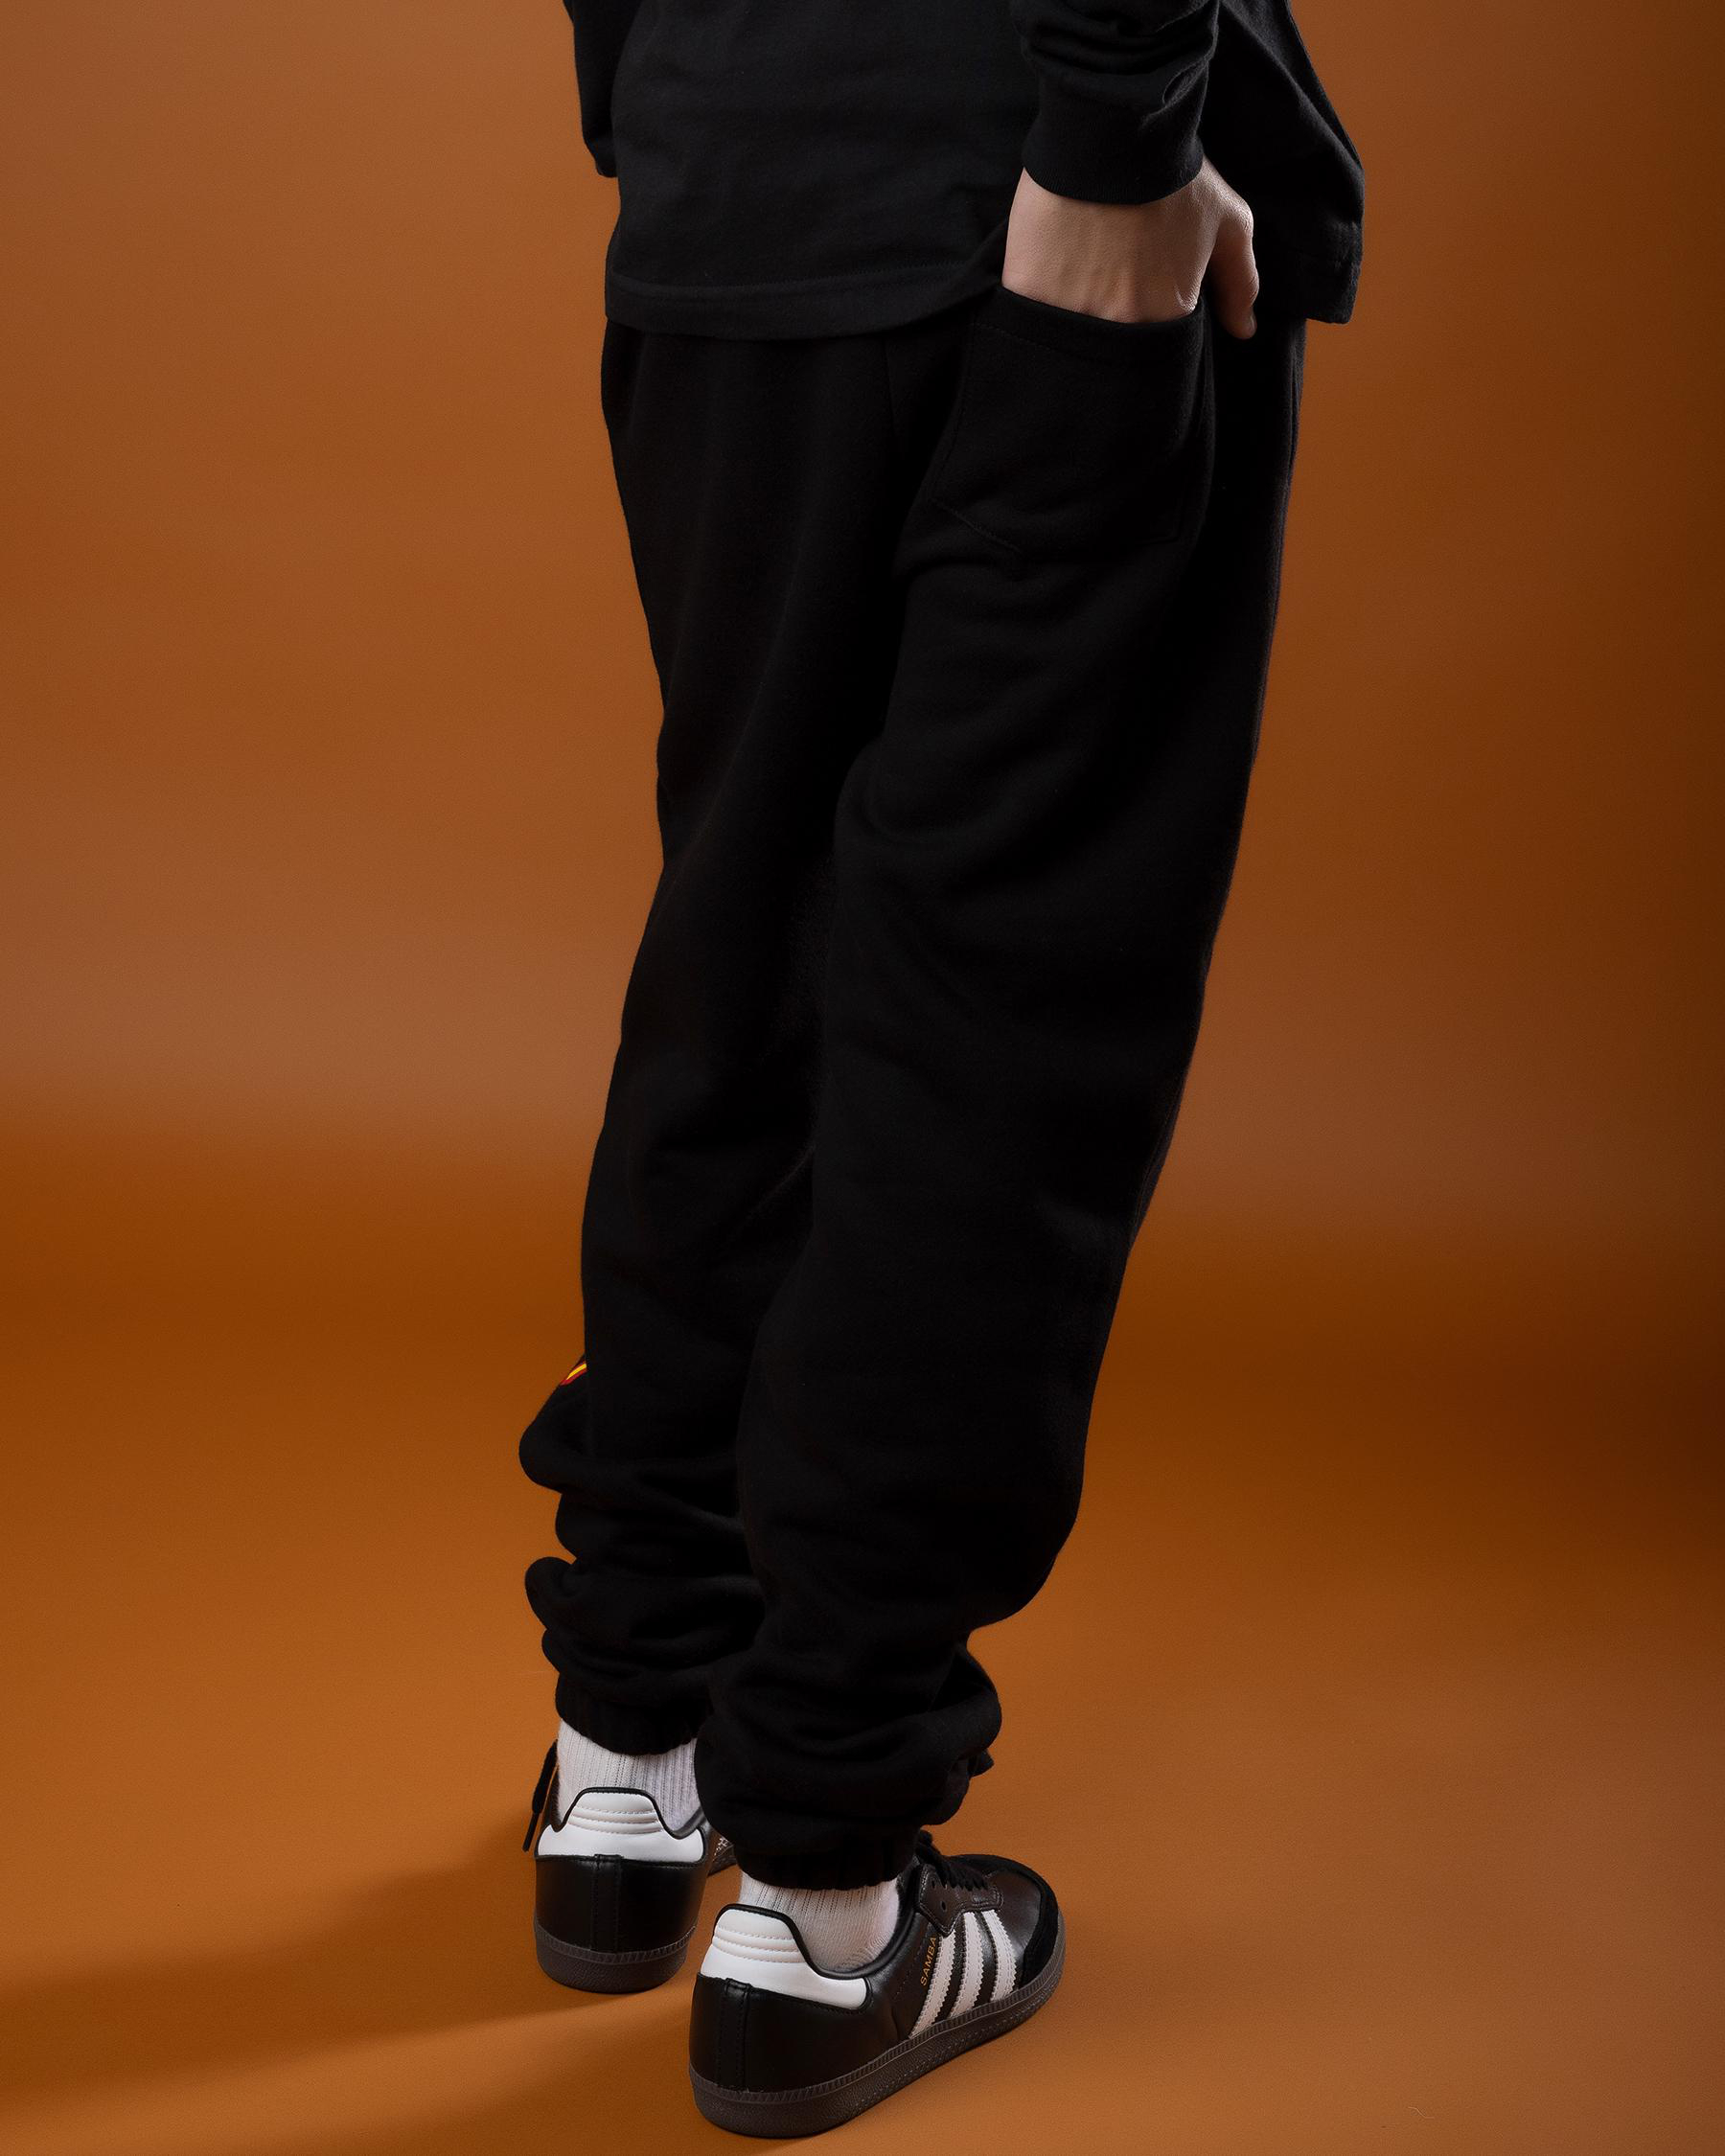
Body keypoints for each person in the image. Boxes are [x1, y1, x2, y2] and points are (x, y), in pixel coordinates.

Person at [518, 0, 1362, 2132]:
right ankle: (824, 1905)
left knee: (744, 950)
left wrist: (680, 103)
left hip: (731, 189)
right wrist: (1117, 129)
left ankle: (628, 1763)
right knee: (989, 1040)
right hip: (1026, 184)